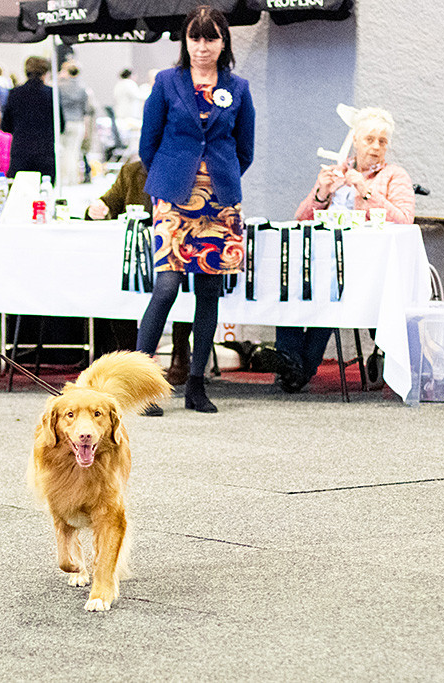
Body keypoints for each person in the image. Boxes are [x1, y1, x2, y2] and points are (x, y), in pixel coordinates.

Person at [133, 5, 255, 415]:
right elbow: (147, 144)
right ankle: (141, 384)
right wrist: (169, 182)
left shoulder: (238, 88)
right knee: (166, 287)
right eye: (195, 38)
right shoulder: (168, 82)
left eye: (211, 38)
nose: (203, 47)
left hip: (220, 202)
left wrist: (218, 178)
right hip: (172, 198)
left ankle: (198, 385)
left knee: (208, 292)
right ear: (185, 42)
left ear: (224, 42)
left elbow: (245, 149)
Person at [272, 106, 415, 393]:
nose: (375, 147)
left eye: (382, 141)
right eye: (369, 139)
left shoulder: (394, 176)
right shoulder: (336, 171)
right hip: (321, 260)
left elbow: (404, 219)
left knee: (329, 292)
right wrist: (321, 193)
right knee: (288, 282)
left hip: (365, 268)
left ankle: (296, 367)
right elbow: (301, 220)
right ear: (355, 142)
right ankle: (291, 361)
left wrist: (366, 190)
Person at [2, 56, 61, 182]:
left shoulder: (15, 93)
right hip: (45, 151)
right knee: (44, 192)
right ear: (46, 72)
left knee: (20, 191)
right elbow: (60, 125)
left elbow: (5, 125)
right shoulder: (52, 94)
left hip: (21, 151)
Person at [58, 61, 92, 185]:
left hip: (64, 122)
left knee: (62, 152)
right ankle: (73, 179)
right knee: (74, 151)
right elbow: (86, 111)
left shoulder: (60, 87)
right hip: (78, 122)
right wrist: (87, 128)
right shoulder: (83, 88)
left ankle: (63, 179)